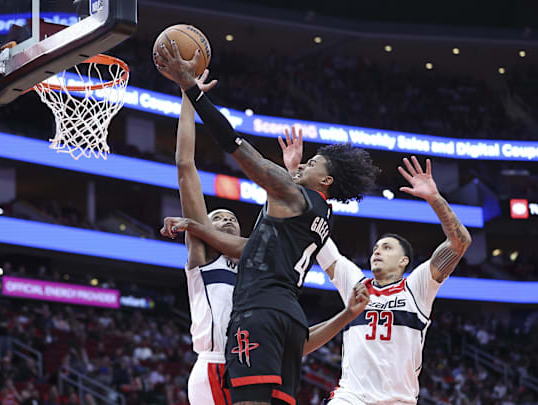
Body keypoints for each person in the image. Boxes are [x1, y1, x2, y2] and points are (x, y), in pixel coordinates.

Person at [152, 38, 380, 396]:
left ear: (326, 180)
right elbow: (263, 241)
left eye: (312, 164)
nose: (304, 164)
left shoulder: (292, 198)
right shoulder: (323, 218)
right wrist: (196, 225)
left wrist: (191, 92)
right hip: (290, 319)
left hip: (258, 316)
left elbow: (240, 150)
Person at [314, 156, 473, 405]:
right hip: (351, 397)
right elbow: (318, 238)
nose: (377, 251)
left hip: (398, 400)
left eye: (387, 248)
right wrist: (301, 191)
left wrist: (434, 198)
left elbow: (459, 243)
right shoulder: (356, 285)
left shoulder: (416, 287)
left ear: (404, 261)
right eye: (376, 247)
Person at [173, 70, 239, 405]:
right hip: (214, 365)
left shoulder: (252, 259)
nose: (226, 218)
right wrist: (189, 96)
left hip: (247, 366)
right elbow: (185, 166)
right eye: (217, 218)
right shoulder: (204, 254)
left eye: (232, 218)